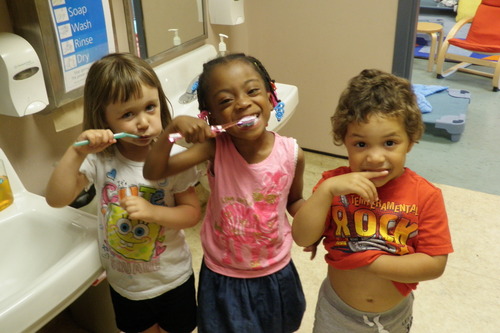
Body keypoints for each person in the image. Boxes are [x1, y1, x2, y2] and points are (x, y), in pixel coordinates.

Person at [144, 53, 306, 333]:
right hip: (223, 274)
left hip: (276, 270)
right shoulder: (215, 148)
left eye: (253, 91)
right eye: (225, 101)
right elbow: (154, 172)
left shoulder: (292, 153)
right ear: (211, 117)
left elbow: (294, 201)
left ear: (271, 96)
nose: (243, 103)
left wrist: (319, 220)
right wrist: (171, 131)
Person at [45, 53, 201, 333]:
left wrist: (153, 212)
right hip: (126, 286)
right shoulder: (100, 159)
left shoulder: (173, 158)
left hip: (172, 278)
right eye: (128, 114)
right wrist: (76, 151)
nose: (143, 122)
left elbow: (191, 213)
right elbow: (56, 199)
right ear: (103, 117)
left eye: (150, 108)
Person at [292, 69, 453, 333]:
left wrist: (369, 260)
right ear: (344, 140)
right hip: (336, 311)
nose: (376, 157)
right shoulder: (333, 186)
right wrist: (325, 193)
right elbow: (301, 237)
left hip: (393, 316)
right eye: (361, 145)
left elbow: (434, 264)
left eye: (389, 143)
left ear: (410, 141)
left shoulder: (425, 195)